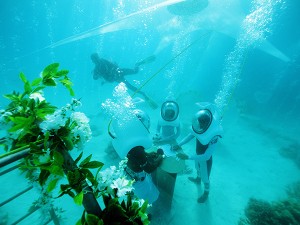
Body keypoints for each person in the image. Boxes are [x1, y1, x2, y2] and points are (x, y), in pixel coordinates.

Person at [173, 102, 223, 203]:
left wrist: (188, 157)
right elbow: (191, 135)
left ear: (208, 123)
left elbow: (206, 156)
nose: (200, 125)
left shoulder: (214, 135)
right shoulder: (200, 126)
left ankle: (206, 193)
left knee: (205, 177)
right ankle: (197, 179)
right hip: (197, 155)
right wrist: (179, 144)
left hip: (205, 159)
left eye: (202, 123)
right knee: (197, 168)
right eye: (200, 122)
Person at [91, 53, 157, 108]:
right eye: (95, 59)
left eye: (95, 58)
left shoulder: (100, 64)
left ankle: (138, 64)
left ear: (95, 59)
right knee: (131, 83)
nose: (96, 60)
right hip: (119, 74)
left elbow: (97, 77)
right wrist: (97, 74)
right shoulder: (98, 66)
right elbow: (96, 77)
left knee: (133, 77)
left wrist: (97, 74)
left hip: (119, 74)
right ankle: (143, 93)